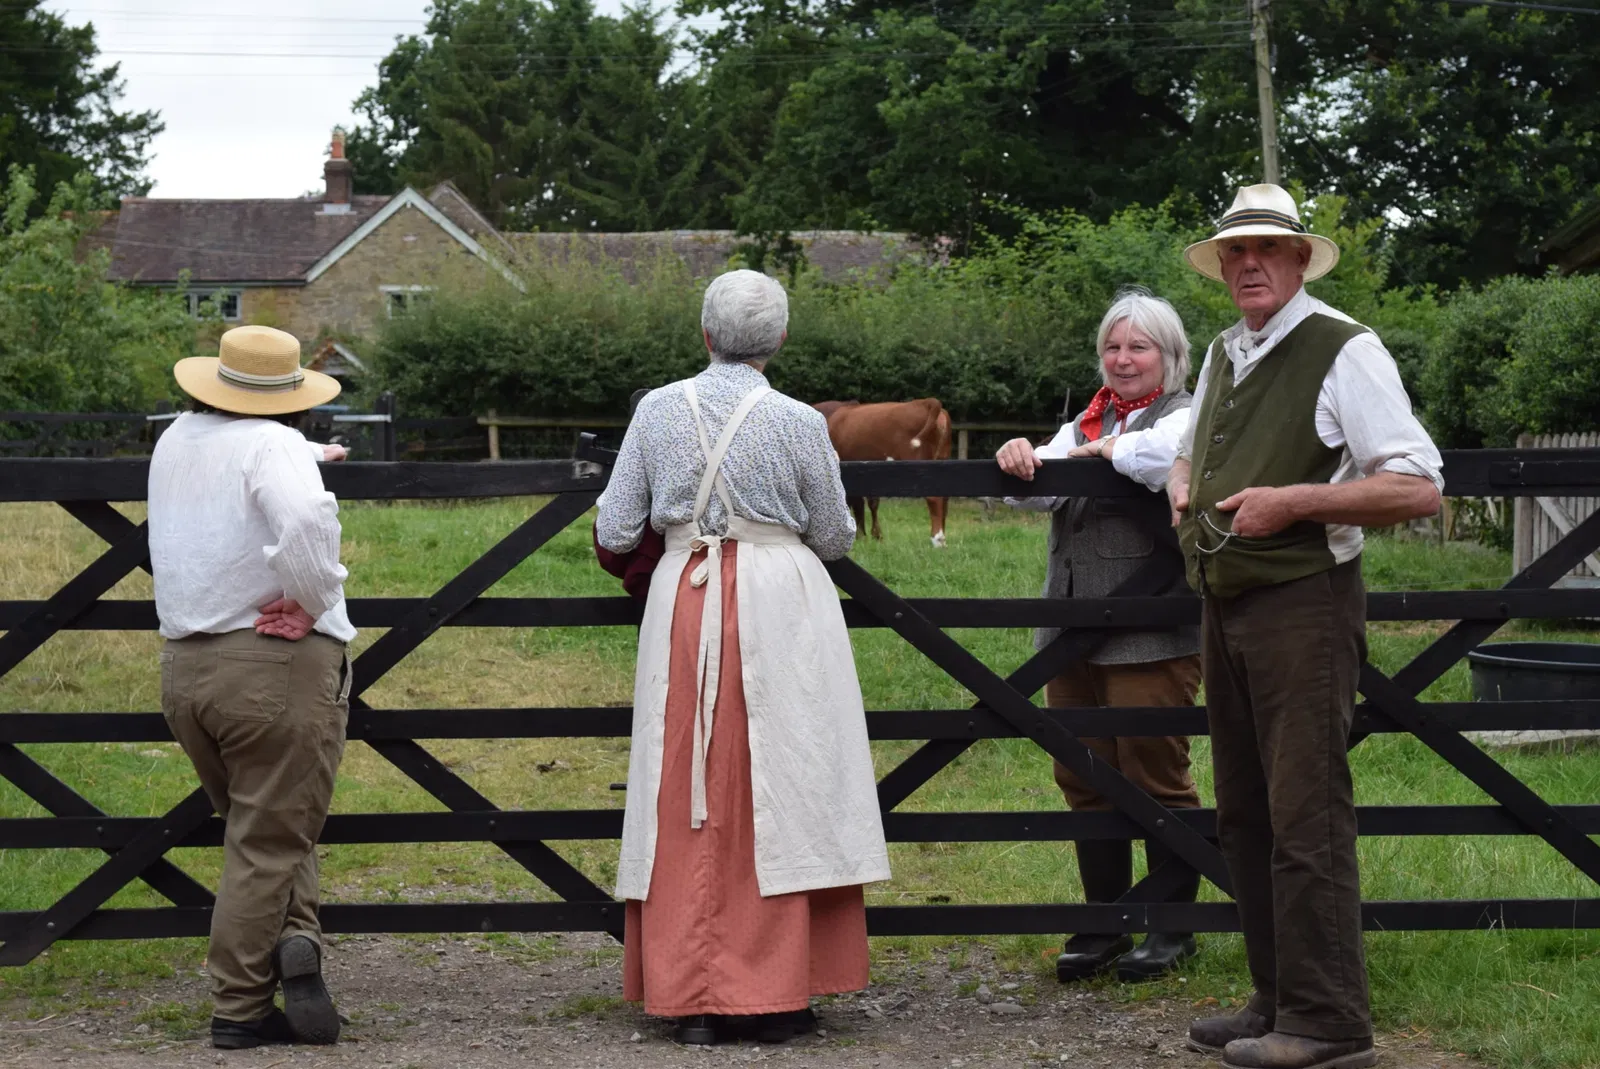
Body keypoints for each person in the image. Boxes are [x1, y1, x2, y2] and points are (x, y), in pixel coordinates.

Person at [1171, 185, 1442, 1069]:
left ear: (1298, 259)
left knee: (1305, 814)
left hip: (1305, 605)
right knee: (1245, 814)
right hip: (1230, 602)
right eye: (1234, 253)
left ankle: (1328, 1023)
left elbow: (1417, 483)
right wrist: (1181, 473)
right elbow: (1195, 446)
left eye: (1266, 250)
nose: (1248, 263)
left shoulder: (1343, 347)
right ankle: (1277, 997)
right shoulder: (1226, 350)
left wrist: (1296, 501)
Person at [596, 269, 890, 1046]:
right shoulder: (799, 422)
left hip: (684, 601)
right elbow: (834, 536)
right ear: (781, 340)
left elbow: (617, 527)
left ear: (704, 334)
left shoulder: (657, 410)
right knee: (782, 780)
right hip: (780, 605)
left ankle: (689, 992)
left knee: (684, 782)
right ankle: (778, 988)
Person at [148, 325, 354, 1050]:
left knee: (263, 821)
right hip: (269, 665)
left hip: (186, 669)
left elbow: (247, 462)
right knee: (267, 840)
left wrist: (303, 456)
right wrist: (312, 596)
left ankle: (295, 939)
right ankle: (238, 1006)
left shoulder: (176, 439)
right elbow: (302, 516)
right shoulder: (270, 447)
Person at [995, 289, 1202, 984]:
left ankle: (1172, 925)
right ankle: (1105, 920)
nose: (1122, 359)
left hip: (1152, 629)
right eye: (1113, 347)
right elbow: (1036, 490)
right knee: (1081, 770)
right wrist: (1020, 454)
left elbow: (1158, 454)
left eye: (1138, 347)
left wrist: (1098, 449)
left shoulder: (1191, 416)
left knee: (1152, 767)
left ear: (1169, 356)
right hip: (1071, 627)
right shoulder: (1086, 420)